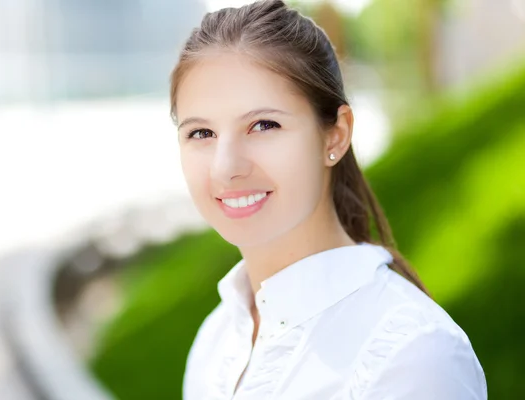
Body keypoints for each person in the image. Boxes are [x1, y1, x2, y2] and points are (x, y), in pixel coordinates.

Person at [169, 1, 487, 399]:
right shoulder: (215, 341)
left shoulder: (412, 355)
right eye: (201, 133)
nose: (225, 167)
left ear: (335, 135)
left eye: (263, 125)